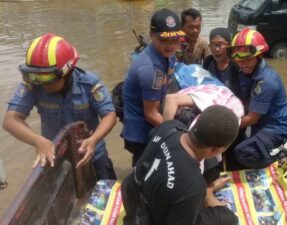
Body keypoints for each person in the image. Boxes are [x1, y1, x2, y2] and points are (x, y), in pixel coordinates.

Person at [3, 33, 117, 180]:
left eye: (46, 77)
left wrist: (94, 139)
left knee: (109, 196)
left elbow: (109, 115)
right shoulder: (33, 85)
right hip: (56, 157)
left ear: (67, 71)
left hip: (92, 153)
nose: (41, 83)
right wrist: (38, 140)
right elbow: (10, 121)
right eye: (34, 75)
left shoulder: (89, 83)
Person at [121, 105, 239, 225]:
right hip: (148, 218)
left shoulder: (171, 126)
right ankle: (208, 194)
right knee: (228, 219)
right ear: (216, 150)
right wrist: (208, 195)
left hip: (132, 195)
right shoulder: (193, 186)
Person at [122, 8, 185, 165]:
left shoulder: (167, 55)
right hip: (141, 133)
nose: (170, 45)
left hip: (154, 118)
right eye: (164, 40)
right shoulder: (150, 69)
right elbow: (151, 114)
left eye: (175, 39)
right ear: (151, 36)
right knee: (145, 176)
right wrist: (180, 133)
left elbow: (167, 85)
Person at [229, 28, 287, 169]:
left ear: (259, 56)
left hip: (275, 128)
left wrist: (226, 126)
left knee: (243, 152)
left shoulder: (266, 81)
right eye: (239, 60)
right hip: (261, 124)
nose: (243, 64)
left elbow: (252, 119)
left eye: (247, 59)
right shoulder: (246, 71)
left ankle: (277, 159)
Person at [203, 27, 242, 100]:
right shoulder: (208, 62)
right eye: (213, 45)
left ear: (229, 45)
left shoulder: (236, 65)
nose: (216, 49)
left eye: (221, 44)